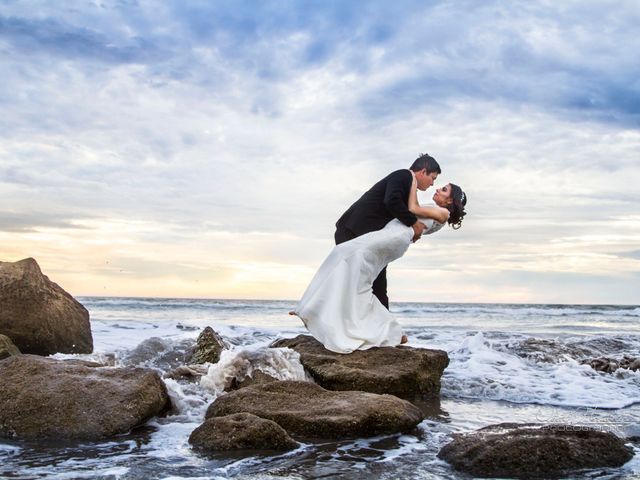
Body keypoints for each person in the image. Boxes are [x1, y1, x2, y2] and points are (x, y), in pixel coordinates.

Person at [290, 174, 467, 354]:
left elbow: (412, 208)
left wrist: (412, 179)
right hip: (390, 235)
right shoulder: (437, 211)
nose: (437, 188)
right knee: (354, 272)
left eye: (443, 189)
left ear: (450, 200)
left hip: (392, 237)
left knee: (346, 259)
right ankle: (314, 309)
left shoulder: (443, 213)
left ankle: (314, 310)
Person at [334, 153, 441, 310]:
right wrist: (413, 223)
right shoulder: (403, 175)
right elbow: (392, 201)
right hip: (352, 231)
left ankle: (384, 330)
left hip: (370, 239)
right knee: (355, 284)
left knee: (378, 287)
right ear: (423, 171)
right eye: (432, 178)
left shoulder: (410, 186)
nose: (432, 184)